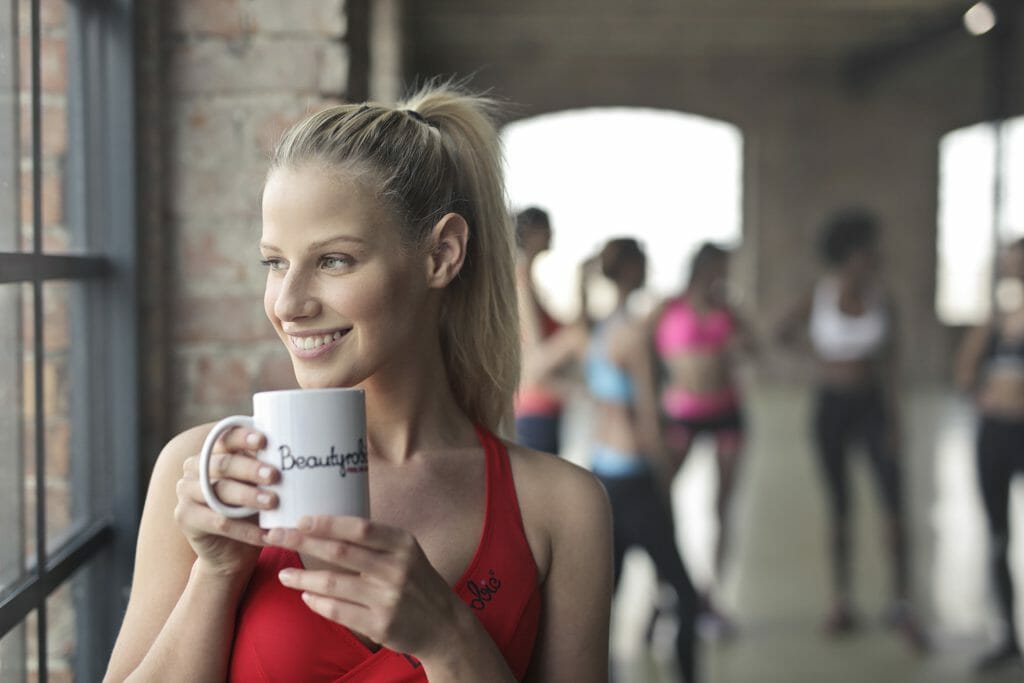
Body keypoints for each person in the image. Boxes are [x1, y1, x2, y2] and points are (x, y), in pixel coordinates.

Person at [104, 84, 613, 682]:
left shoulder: (561, 509)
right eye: (274, 262)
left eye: (333, 260)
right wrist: (216, 574)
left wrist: (449, 639)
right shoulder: (202, 477)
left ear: (442, 255)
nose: (288, 303)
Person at [776, 208, 925, 650]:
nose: (876, 255)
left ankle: (900, 600)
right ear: (848, 253)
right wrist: (819, 361)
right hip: (832, 407)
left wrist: (897, 422)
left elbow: (894, 368)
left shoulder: (884, 298)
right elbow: (781, 332)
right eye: (868, 248)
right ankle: (840, 600)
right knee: (839, 504)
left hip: (873, 406)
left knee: (892, 503)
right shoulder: (818, 295)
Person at [584, 238, 699, 682]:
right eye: (644, 260)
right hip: (636, 478)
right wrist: (666, 480)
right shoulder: (634, 334)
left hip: (603, 475)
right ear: (630, 268)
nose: (650, 266)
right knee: (685, 596)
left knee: (605, 600)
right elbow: (651, 418)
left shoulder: (598, 330)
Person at [651, 243, 755, 637]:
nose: (724, 277)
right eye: (720, 269)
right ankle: (665, 590)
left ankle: (712, 594)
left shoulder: (729, 311)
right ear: (703, 269)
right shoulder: (670, 307)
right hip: (683, 413)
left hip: (726, 412)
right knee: (659, 499)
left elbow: (755, 348)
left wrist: (740, 345)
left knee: (723, 505)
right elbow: (643, 349)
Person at [954, 237, 1024, 672]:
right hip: (996, 436)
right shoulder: (994, 324)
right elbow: (963, 374)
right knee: (999, 538)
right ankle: (1008, 636)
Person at [514, 207, 569, 455]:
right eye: (547, 227)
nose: (553, 233)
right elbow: (536, 357)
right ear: (532, 233)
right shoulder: (521, 279)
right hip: (534, 410)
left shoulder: (527, 280)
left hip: (540, 409)